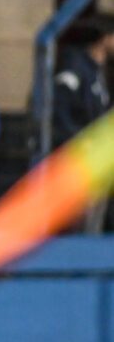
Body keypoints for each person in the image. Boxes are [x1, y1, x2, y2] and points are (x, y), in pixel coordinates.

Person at [54, 15, 114, 232]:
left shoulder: (98, 71)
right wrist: (80, 142)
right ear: (105, 38)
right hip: (77, 163)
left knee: (94, 226)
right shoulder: (75, 64)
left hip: (96, 162)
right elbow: (59, 108)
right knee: (79, 230)